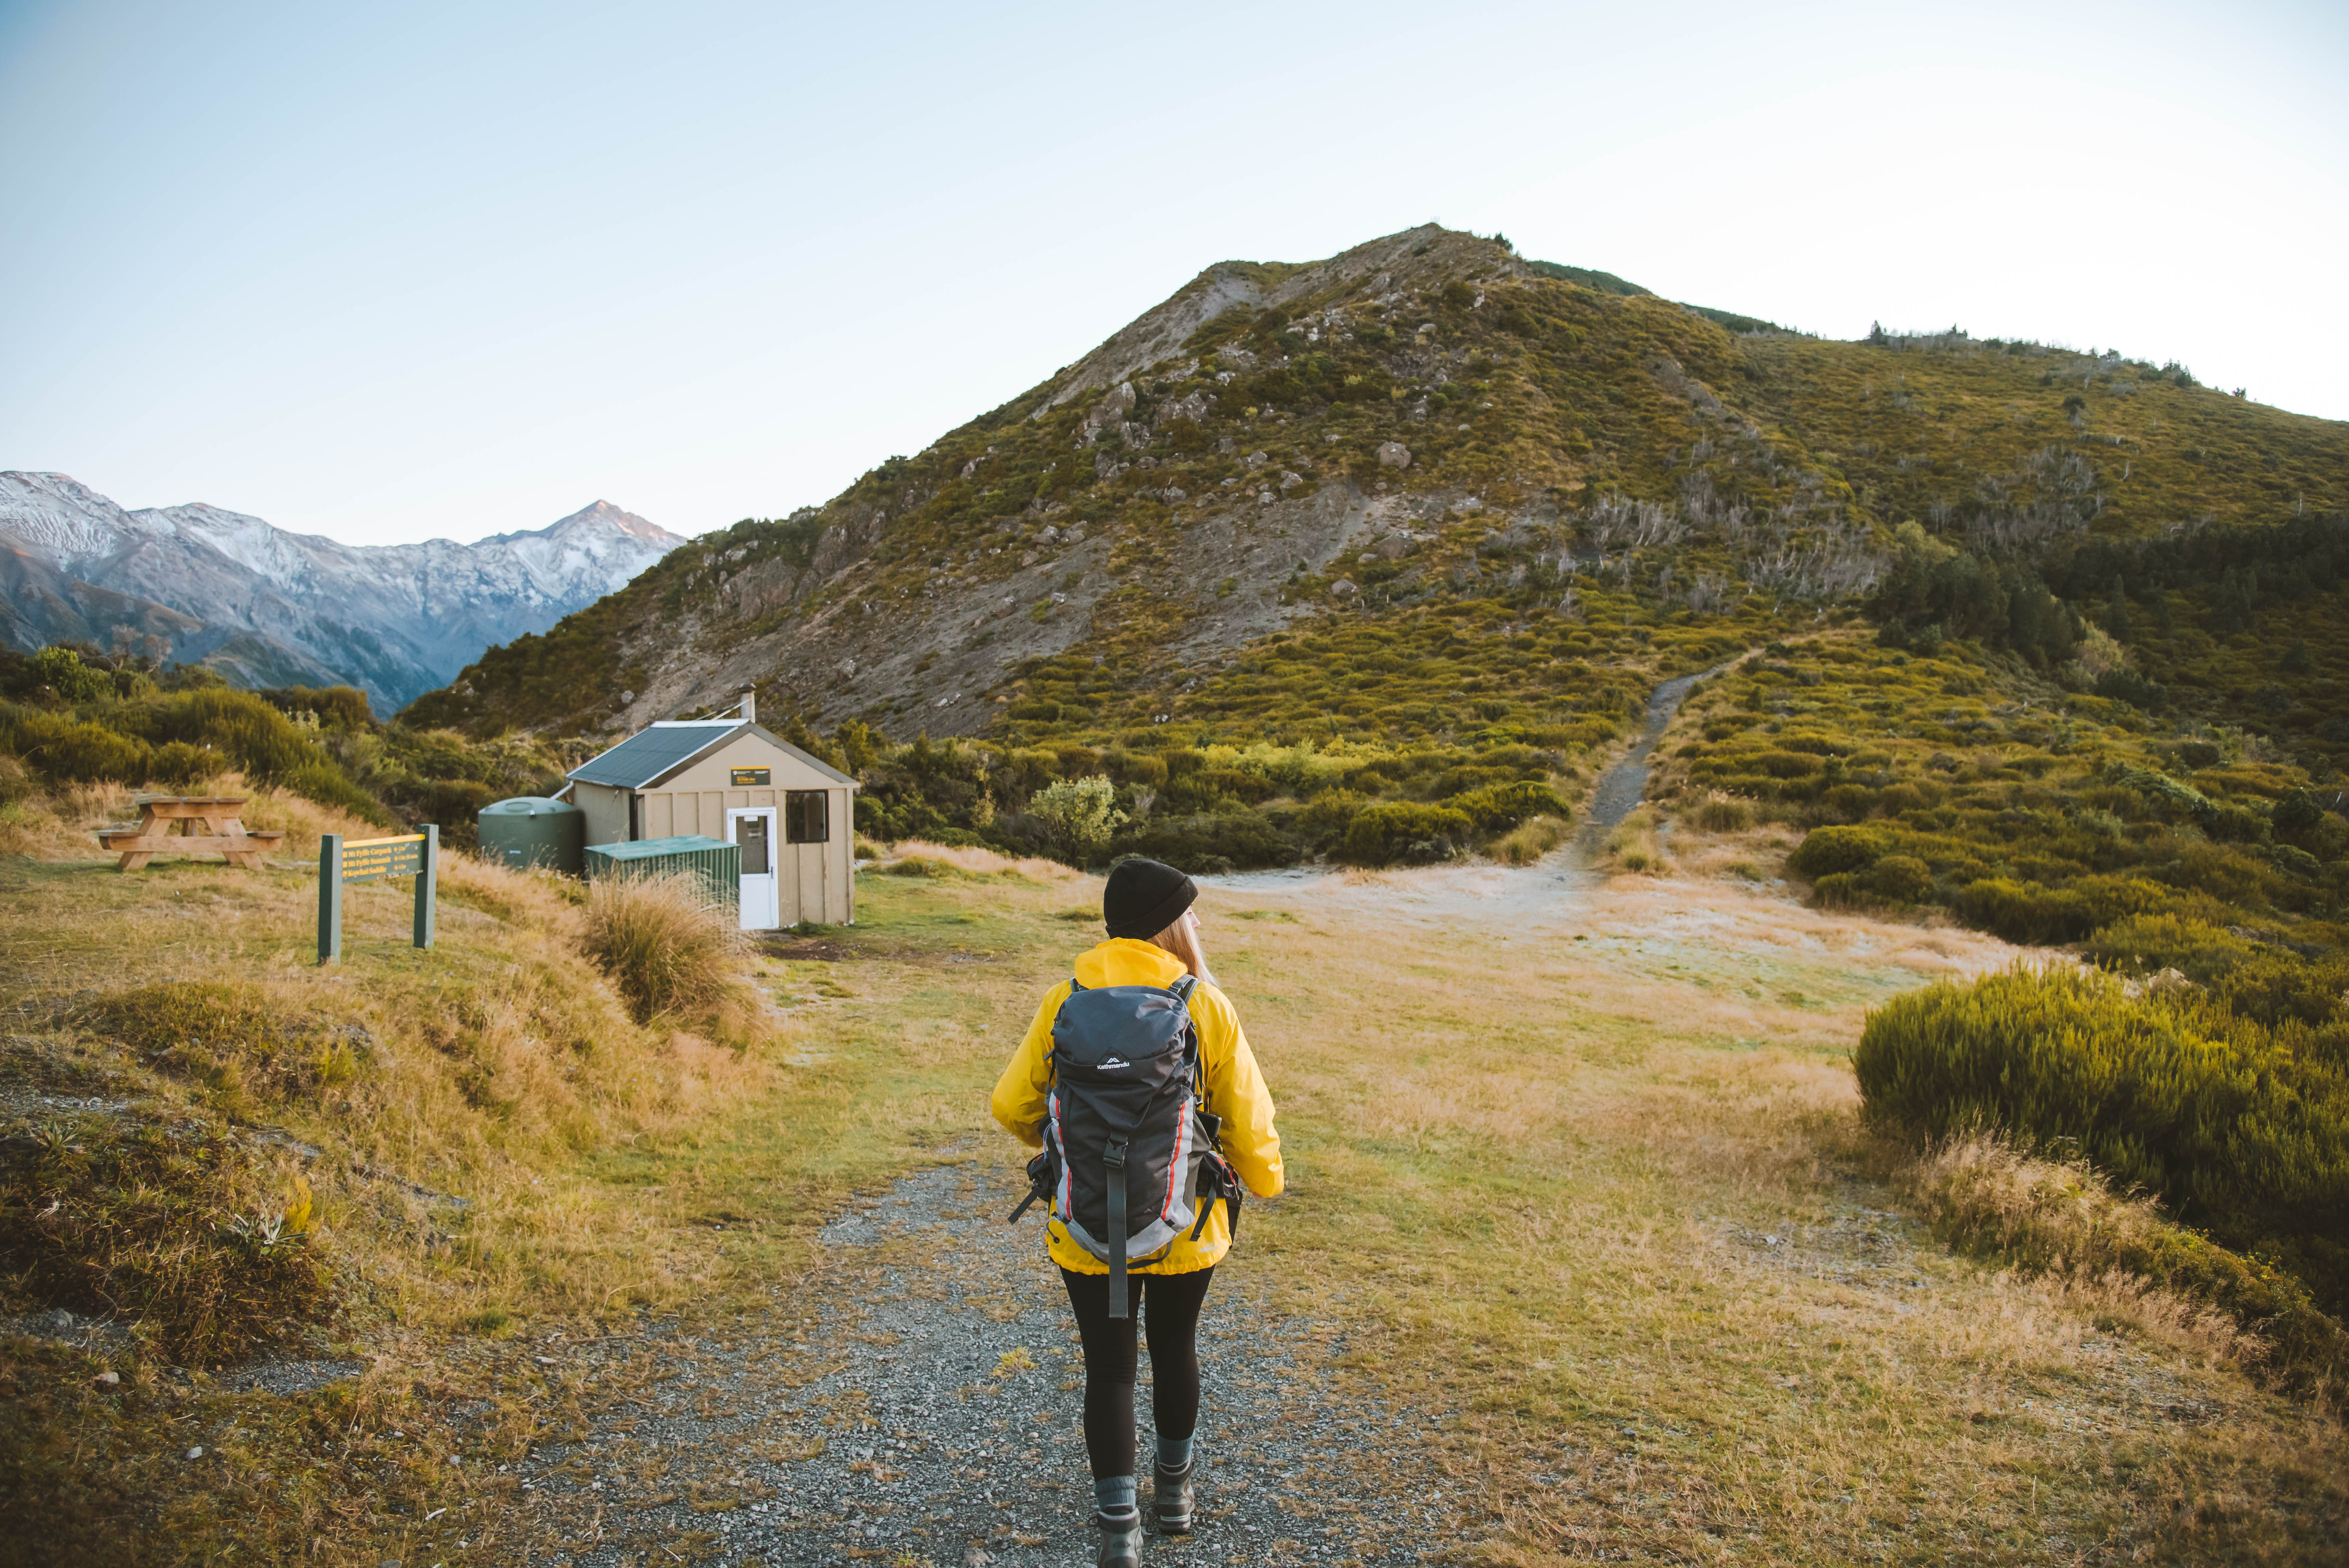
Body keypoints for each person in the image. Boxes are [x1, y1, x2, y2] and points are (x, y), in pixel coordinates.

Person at [990, 857, 1284, 1568]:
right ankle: (1175, 1499)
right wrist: (1266, 1182)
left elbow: (1011, 1106)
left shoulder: (1065, 998)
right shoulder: (1204, 1004)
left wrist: (1069, 1143)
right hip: (1187, 1222)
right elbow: (1248, 1121)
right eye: (1191, 911)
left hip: (1087, 1225)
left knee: (1110, 1367)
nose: (1199, 921)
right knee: (1174, 1348)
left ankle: (1119, 1532)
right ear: (1169, 924)